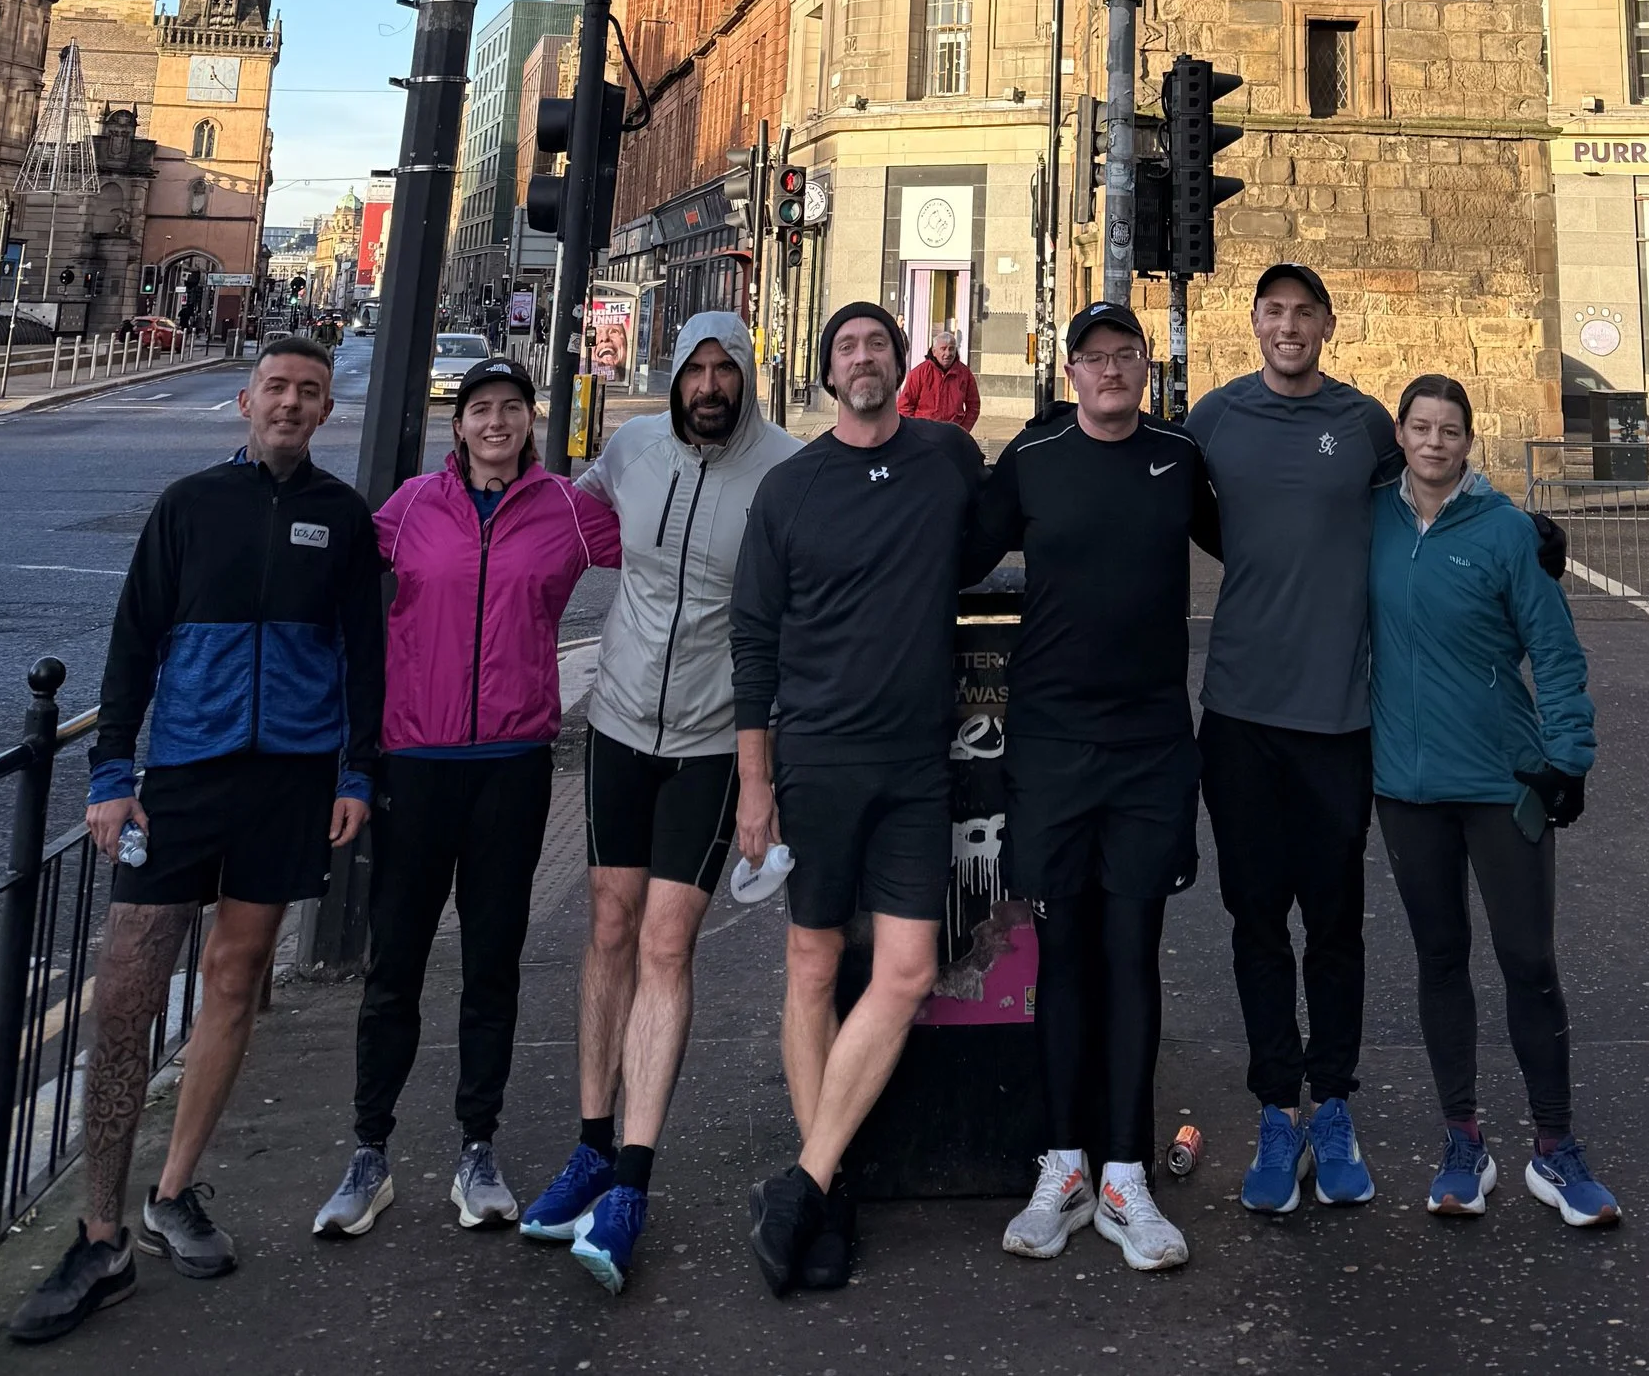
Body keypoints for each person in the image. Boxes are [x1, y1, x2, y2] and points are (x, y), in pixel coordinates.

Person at [8, 337, 383, 1344]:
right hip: (182, 774)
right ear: (245, 402)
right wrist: (108, 772)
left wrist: (355, 773)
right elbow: (134, 641)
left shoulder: (341, 518)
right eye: (277, 389)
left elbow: (363, 654)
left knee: (236, 972)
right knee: (128, 989)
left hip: (291, 779)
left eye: (310, 392)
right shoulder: (187, 507)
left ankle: (172, 1193)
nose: (293, 404)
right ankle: (98, 1230)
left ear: (324, 409)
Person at [519, 310, 800, 1294]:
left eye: (727, 369)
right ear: (677, 374)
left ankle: (633, 1176)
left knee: (667, 944)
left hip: (716, 740)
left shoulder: (783, 468)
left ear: (746, 378)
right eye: (698, 368)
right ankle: (591, 1143)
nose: (711, 385)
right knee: (607, 924)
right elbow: (557, 509)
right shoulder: (631, 446)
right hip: (621, 723)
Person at [312, 356, 619, 1245]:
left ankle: (476, 1148)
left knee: (492, 963)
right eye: (481, 409)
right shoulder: (410, 508)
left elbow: (665, 548)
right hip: (417, 760)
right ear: (459, 426)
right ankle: (369, 1152)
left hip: (513, 765)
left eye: (511, 409)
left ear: (531, 419)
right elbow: (333, 583)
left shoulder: (564, 507)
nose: (496, 423)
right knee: (395, 965)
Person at [731, 301, 984, 1295]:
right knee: (812, 962)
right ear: (830, 372)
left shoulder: (945, 462)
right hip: (819, 758)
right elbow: (753, 642)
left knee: (911, 967)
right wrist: (755, 781)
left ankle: (802, 1183)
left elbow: (998, 525)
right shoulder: (789, 490)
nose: (864, 358)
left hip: (917, 761)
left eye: (878, 341)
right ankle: (828, 1198)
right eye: (849, 347)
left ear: (899, 359)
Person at [970, 299, 1218, 1275]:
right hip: (1054, 748)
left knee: (1131, 955)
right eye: (1094, 357)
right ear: (1069, 372)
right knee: (1062, 957)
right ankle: (1064, 1165)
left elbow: (1269, 541)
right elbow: (949, 553)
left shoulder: (1180, 460)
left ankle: (1126, 1177)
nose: (1110, 371)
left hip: (1151, 748)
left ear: (1144, 370)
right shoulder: (1032, 462)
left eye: (1126, 356)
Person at [1369, 374, 1617, 1228]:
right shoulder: (1371, 521)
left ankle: (1555, 1146)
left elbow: (1554, 650)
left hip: (1499, 782)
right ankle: (1462, 1141)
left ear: (1469, 442)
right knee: (1440, 962)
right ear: (1399, 435)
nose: (1435, 442)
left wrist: (1569, 756)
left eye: (1450, 430)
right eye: (1420, 427)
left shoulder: (1508, 533)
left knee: (1529, 963)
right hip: (1405, 785)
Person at [1184, 261, 1399, 1215]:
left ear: (1327, 323)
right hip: (1238, 713)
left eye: (1304, 312)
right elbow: (1178, 508)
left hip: (1336, 718)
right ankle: (1278, 1104)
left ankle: (1335, 1102)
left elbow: (1420, 508)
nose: (1287, 325)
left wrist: (1519, 543)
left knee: (1337, 923)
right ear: (1254, 322)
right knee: (1257, 920)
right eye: (1272, 311)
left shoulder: (1363, 425)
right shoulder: (1215, 419)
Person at [899, 320, 980, 432]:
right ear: (934, 351)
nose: (948, 353)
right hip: (923, 435)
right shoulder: (919, 373)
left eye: (951, 349)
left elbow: (974, 406)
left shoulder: (965, 374)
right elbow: (904, 406)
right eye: (943, 349)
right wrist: (914, 432)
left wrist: (963, 431)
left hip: (952, 436)